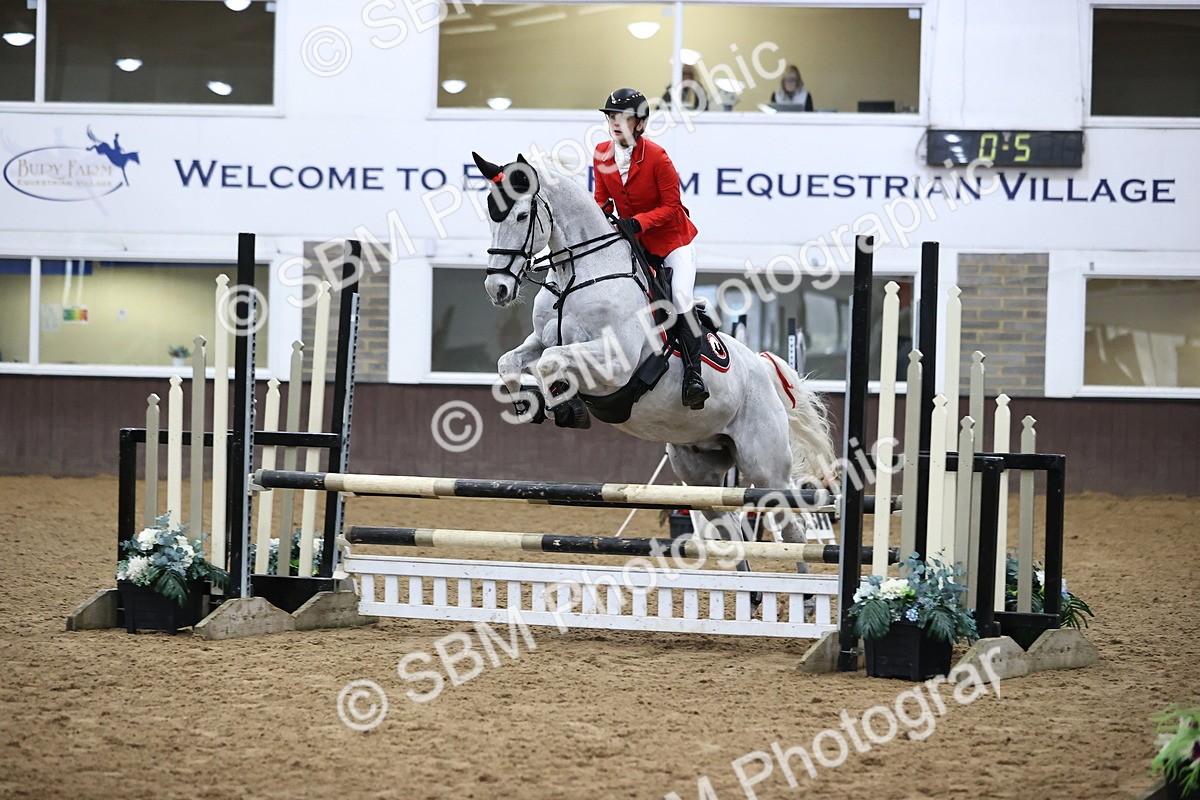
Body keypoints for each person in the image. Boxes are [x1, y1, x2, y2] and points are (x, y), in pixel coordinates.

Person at [592, 87, 709, 410]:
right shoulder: (602, 154)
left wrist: (638, 223)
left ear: (640, 124)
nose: (616, 123)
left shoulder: (658, 157)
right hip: (637, 244)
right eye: (612, 117)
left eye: (624, 118)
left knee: (681, 298)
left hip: (673, 242)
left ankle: (693, 376)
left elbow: (673, 207)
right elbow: (601, 201)